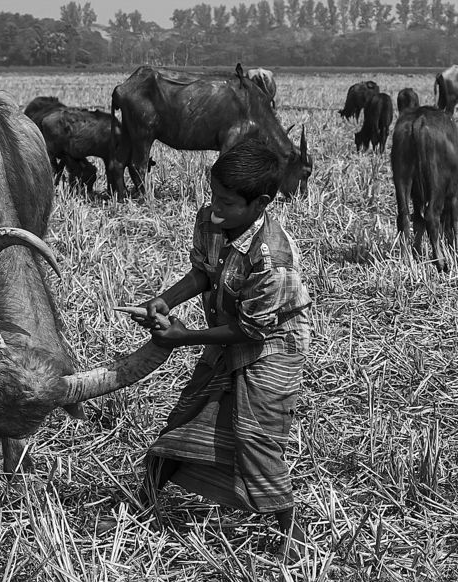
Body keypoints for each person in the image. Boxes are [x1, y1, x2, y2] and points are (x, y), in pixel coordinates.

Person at [129, 137, 312, 560]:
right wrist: (166, 300)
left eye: (227, 203)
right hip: (228, 331)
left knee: (256, 437)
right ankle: (142, 504)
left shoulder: (273, 259)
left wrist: (183, 337)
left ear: (260, 203)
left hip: (274, 347)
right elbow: (204, 273)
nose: (215, 209)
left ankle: (290, 532)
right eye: (213, 196)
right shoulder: (210, 221)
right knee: (187, 411)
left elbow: (251, 330)